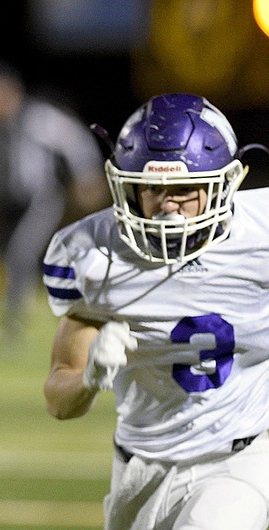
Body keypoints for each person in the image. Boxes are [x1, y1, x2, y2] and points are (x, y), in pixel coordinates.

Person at [42, 93, 269, 530]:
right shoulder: (91, 254)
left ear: (227, 182)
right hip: (138, 467)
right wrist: (89, 377)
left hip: (239, 459)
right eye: (151, 189)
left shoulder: (259, 236)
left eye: (184, 189)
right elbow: (58, 401)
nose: (167, 204)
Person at [0, 58, 107, 342]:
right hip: (1, 203)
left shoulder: (37, 117)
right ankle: (27, 315)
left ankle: (14, 326)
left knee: (20, 255)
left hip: (40, 199)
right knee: (8, 261)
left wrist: (87, 176)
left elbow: (75, 140)